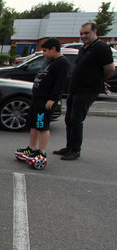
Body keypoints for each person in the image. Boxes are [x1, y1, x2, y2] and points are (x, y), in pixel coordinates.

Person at [53, 22, 115, 160]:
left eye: (86, 33)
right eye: (81, 34)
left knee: (76, 120)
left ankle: (75, 150)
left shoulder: (101, 47)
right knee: (69, 119)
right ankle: (69, 147)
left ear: (94, 31)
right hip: (75, 89)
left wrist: (98, 80)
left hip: (87, 90)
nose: (83, 36)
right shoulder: (84, 48)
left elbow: (110, 68)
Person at [15, 38, 70, 166]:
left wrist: (53, 99)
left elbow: (60, 83)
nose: (43, 53)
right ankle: (32, 147)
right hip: (37, 98)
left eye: (45, 51)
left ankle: (42, 151)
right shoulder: (49, 61)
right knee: (34, 124)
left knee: (42, 125)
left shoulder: (62, 63)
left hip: (46, 100)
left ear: (53, 49)